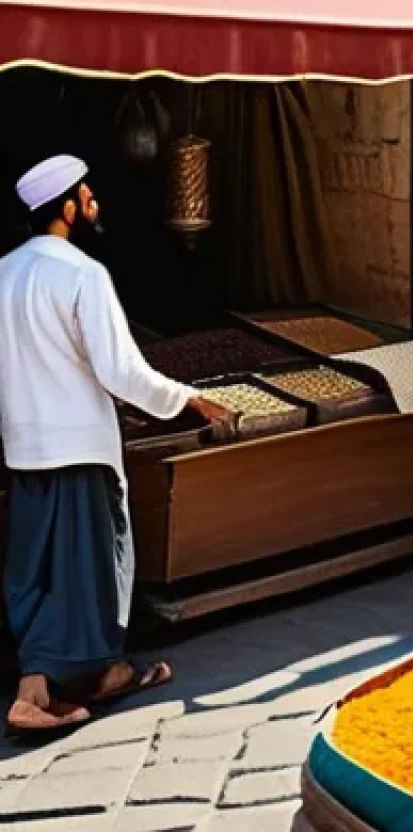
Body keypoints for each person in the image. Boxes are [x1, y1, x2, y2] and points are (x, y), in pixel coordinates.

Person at [0, 155, 230, 734]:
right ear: (68, 208)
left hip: (25, 449)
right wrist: (188, 399)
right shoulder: (82, 275)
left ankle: (100, 676)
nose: (94, 199)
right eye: (87, 193)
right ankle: (35, 694)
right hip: (78, 449)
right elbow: (121, 371)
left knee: (39, 573)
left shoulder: (3, 273)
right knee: (86, 575)